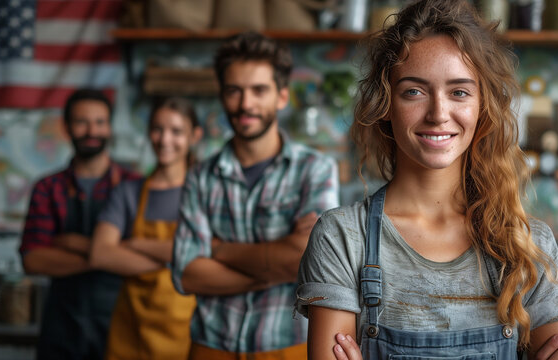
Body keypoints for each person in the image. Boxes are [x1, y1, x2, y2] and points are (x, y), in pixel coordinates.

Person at [295, 1, 558, 359]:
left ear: (483, 106)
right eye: (414, 91)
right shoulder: (342, 238)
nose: (438, 114)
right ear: (386, 105)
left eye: (459, 92)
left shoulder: (529, 245)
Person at [171, 31, 340, 359]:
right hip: (210, 348)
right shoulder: (200, 176)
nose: (246, 104)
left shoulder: (315, 169)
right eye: (234, 91)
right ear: (222, 96)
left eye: (259, 90)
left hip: (285, 347)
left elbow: (310, 263)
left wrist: (218, 250)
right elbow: (187, 274)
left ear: (281, 96)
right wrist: (277, 270)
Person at [19, 89, 140, 360]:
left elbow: (144, 256)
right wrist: (108, 254)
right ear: (66, 128)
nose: (91, 130)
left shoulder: (134, 186)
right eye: (81, 122)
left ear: (109, 127)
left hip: (121, 325)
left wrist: (72, 243)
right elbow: (33, 260)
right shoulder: (47, 188)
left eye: (99, 122)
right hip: (61, 329)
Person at [89, 97, 202, 359]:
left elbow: (213, 252)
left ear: (194, 136)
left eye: (176, 131)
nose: (164, 140)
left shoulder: (205, 193)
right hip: (131, 332)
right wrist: (177, 261)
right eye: (157, 129)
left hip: (188, 335)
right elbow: (101, 254)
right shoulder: (128, 192)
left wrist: (134, 245)